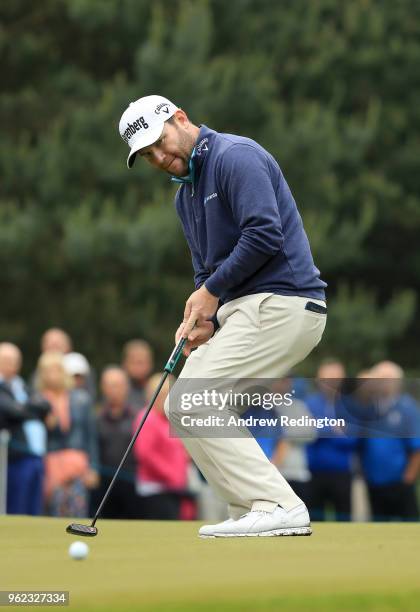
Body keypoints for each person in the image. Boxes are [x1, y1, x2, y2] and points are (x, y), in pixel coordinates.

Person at [119, 95, 327, 537]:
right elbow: (206, 271)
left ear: (180, 118)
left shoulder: (236, 156)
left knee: (196, 397)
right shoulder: (185, 197)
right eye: (148, 155)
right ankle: (250, 507)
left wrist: (210, 293)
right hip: (245, 311)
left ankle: (278, 503)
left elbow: (264, 233)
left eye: (160, 143)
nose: (160, 157)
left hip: (283, 302)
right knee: (181, 405)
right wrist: (203, 319)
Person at [38, 352, 99, 517]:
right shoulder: (37, 401)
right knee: (53, 512)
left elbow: (90, 436)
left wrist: (93, 467)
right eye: (48, 370)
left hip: (78, 465)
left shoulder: (81, 398)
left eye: (57, 369)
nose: (53, 375)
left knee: (78, 511)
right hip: (51, 466)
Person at [358, 361, 420, 521]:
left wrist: (407, 480)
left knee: (408, 529)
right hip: (374, 482)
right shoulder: (368, 408)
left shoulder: (408, 408)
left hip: (400, 482)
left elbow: (416, 449)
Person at [0, 343, 50, 515]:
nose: (11, 364)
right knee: (16, 506)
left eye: (15, 360)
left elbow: (45, 405)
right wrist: (31, 409)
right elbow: (10, 410)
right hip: (13, 458)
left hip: (35, 456)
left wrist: (25, 408)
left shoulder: (21, 385)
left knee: (34, 507)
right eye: (6, 360)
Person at [133, 373, 189, 520]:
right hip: (155, 491)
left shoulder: (171, 420)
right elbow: (145, 455)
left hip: (174, 489)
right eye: (164, 394)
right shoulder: (148, 417)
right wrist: (172, 475)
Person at [306, 359, 357, 521]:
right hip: (313, 473)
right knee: (314, 521)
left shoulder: (351, 405)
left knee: (344, 520)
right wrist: (333, 428)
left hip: (341, 473)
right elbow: (308, 433)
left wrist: (321, 428)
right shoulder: (308, 404)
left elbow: (353, 439)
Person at [95, 366, 139, 519]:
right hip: (104, 484)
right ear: (103, 388)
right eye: (110, 385)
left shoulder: (137, 417)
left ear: (126, 387)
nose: (115, 390)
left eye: (118, 385)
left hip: (132, 483)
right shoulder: (97, 418)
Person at [121, 340, 154, 411]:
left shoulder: (158, 392)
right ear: (125, 364)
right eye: (133, 362)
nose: (138, 368)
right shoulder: (118, 392)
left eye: (141, 362)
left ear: (150, 364)